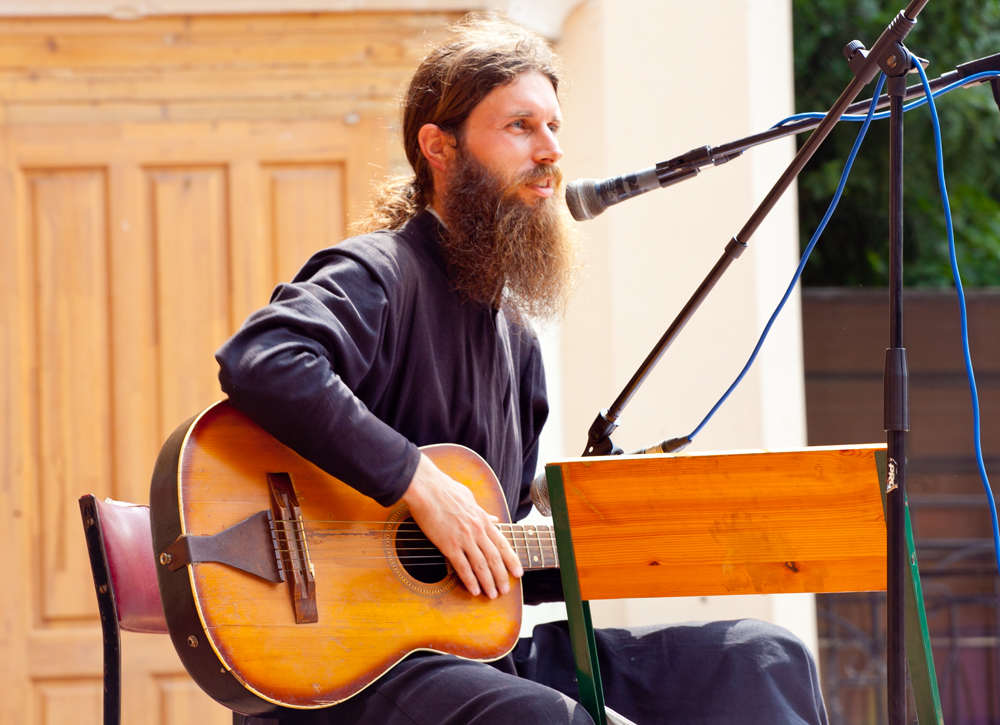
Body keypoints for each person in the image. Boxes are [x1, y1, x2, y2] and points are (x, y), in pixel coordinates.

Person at [216, 15, 828, 725]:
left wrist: (626, 535)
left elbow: (487, 562)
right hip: (353, 669)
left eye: (554, 128)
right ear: (439, 146)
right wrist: (421, 485)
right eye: (521, 127)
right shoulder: (381, 271)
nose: (551, 152)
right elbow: (264, 360)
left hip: (474, 660)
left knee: (762, 657)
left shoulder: (517, 341)